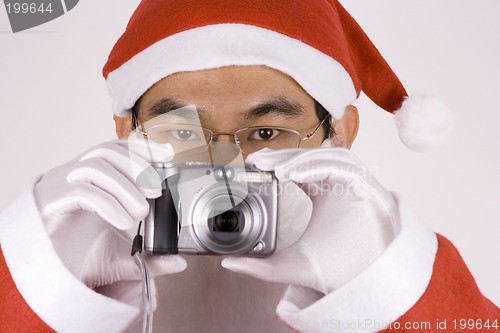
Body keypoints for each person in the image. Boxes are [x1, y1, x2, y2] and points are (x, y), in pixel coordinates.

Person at [0, 0, 498, 332]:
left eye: (264, 133)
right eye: (182, 133)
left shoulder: (382, 253)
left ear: (341, 132)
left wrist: (391, 290)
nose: (225, 167)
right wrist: (32, 280)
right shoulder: (77, 250)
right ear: (127, 132)